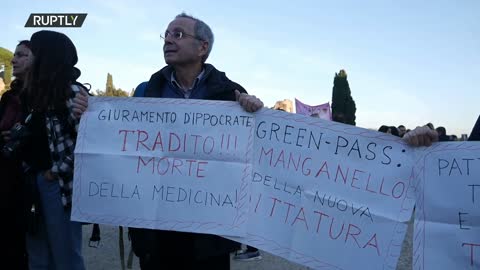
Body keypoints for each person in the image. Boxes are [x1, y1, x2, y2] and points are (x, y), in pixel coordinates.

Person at [129, 13, 263, 269]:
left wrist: (253, 111)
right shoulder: (146, 92)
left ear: (203, 47)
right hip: (157, 227)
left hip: (210, 233)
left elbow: (247, 155)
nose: (168, 40)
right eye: (166, 34)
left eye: (177, 34)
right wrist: (89, 113)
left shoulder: (230, 93)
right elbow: (123, 143)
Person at [19, 30, 88, 270]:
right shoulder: (33, 94)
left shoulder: (72, 93)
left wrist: (55, 172)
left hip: (59, 187)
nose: (29, 57)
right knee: (38, 256)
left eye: (34, 52)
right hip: (32, 185)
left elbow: (87, 144)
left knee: (65, 257)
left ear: (47, 56)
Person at [0, 40, 32, 270]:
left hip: (27, 187)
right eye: (15, 55)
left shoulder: (44, 100)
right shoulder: (7, 99)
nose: (13, 59)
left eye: (21, 55)